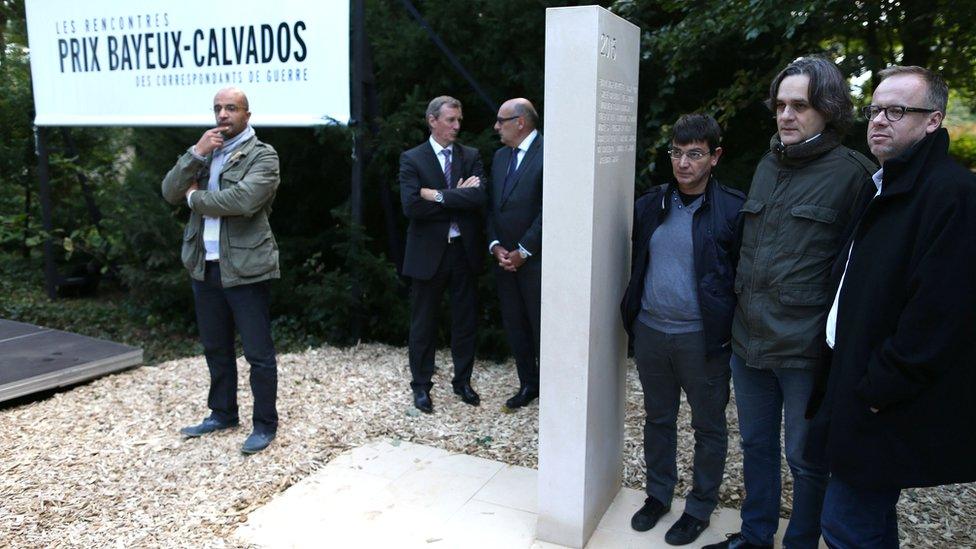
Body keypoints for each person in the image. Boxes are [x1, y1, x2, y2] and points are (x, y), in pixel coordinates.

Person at [705, 58, 876, 549]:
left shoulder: (854, 177)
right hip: (748, 342)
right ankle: (756, 536)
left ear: (828, 108)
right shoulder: (767, 163)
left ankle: (801, 541)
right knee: (757, 446)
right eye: (780, 105)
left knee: (805, 457)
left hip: (804, 351)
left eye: (799, 105)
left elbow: (858, 276)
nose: (786, 115)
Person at [807, 66, 976, 548]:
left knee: (844, 523)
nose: (879, 120)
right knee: (868, 518)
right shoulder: (883, 182)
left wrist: (879, 387)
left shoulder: (951, 194)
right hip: (856, 378)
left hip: (880, 394)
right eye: (875, 109)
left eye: (897, 110)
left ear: (932, 121)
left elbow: (942, 315)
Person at [620, 114, 743, 546]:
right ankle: (658, 495)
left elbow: (739, 279)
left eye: (694, 154)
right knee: (658, 418)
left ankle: (698, 508)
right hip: (652, 331)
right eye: (677, 152)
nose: (683, 163)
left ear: (715, 157)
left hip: (702, 339)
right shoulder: (651, 203)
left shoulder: (732, 208)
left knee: (708, 427)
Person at [161, 87, 281, 454]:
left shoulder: (264, 155)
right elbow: (169, 191)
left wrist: (195, 198)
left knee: (258, 353)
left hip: (245, 267)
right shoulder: (206, 152)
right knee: (216, 347)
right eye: (218, 108)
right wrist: (195, 153)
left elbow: (243, 201)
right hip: (205, 265)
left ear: (247, 114)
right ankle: (223, 412)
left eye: (231, 108)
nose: (223, 114)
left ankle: (264, 424)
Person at [399, 95, 486, 414]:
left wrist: (436, 195)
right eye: (451, 120)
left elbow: (478, 199)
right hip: (428, 254)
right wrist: (456, 196)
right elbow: (412, 207)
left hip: (464, 251)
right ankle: (421, 386)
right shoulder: (413, 159)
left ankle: (462, 381)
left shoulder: (471, 155)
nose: (457, 126)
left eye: (459, 120)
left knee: (465, 320)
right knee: (423, 322)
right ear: (432, 120)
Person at [487, 98, 543, 411]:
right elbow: (493, 207)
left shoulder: (549, 152)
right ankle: (528, 385)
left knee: (540, 325)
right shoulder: (498, 158)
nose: (496, 126)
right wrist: (496, 246)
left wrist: (524, 250)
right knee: (515, 323)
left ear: (520, 122)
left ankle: (552, 387)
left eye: (501, 120)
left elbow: (550, 209)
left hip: (536, 261)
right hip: (504, 261)